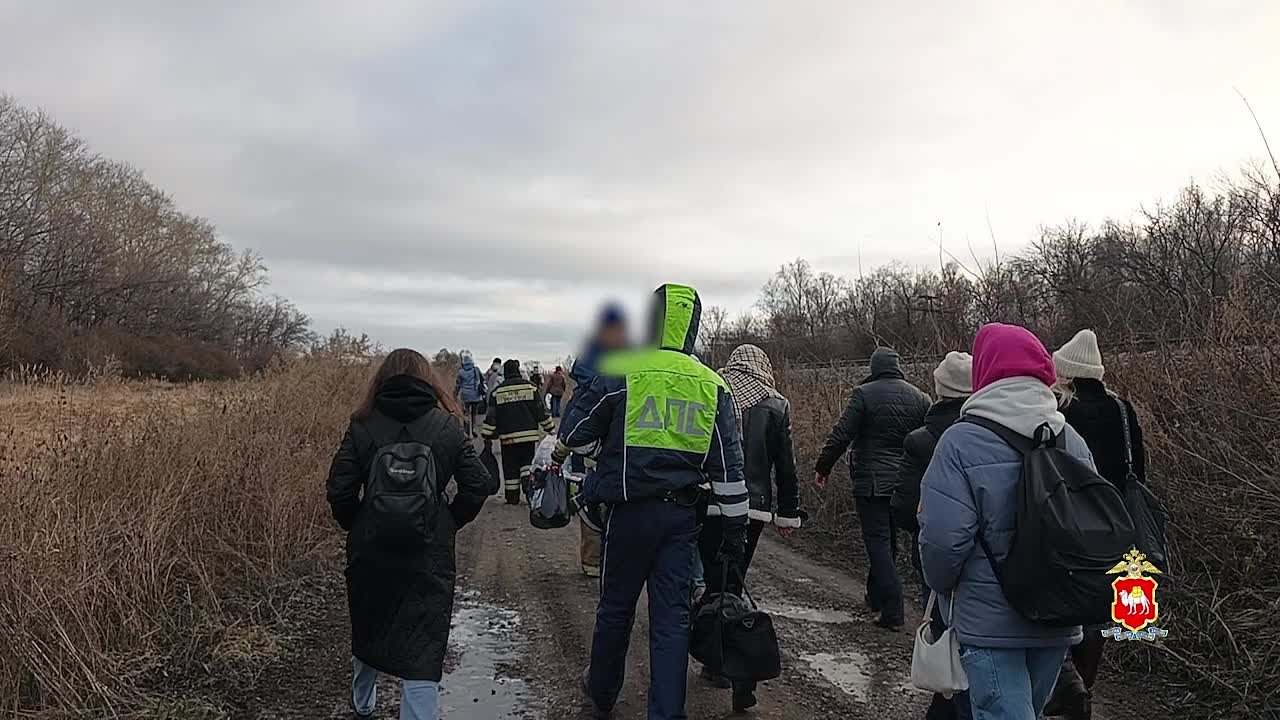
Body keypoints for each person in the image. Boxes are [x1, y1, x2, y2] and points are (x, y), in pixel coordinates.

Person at [556, 283, 748, 720]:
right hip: (680, 519)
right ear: (693, 326)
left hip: (628, 514)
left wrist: (606, 450)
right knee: (672, 619)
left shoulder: (623, 372)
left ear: (653, 320)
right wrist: (734, 532)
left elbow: (573, 434)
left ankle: (603, 692)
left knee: (616, 608)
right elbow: (728, 468)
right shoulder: (713, 385)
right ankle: (666, 712)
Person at [919, 323, 1092, 720]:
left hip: (989, 621)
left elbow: (943, 542)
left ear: (985, 372)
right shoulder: (1070, 439)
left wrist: (942, 589)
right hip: (1058, 612)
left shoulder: (960, 442)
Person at [325, 348, 497, 720]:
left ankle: (363, 705)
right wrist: (448, 522)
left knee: (369, 623)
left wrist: (358, 524)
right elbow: (479, 484)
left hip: (370, 549)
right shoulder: (446, 426)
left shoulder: (362, 424)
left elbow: (339, 489)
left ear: (381, 381)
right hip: (428, 552)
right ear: (428, 380)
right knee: (424, 645)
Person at [1041, 329, 1146, 720]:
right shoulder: (1122, 409)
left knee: (1066, 600)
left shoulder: (1060, 410)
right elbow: (1139, 468)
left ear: (1065, 372)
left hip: (1071, 519)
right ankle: (1085, 684)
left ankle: (1065, 684)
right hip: (1116, 520)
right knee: (1100, 604)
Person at [698, 343, 806, 712]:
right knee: (733, 578)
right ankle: (731, 663)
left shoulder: (712, 389)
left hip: (709, 500)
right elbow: (786, 466)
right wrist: (788, 511)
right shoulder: (776, 404)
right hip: (752, 508)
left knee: (712, 578)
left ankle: (715, 658)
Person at [814, 346, 930, 630]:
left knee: (878, 541)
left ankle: (893, 610)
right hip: (906, 483)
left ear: (874, 368)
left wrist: (823, 467)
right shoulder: (921, 397)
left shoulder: (863, 394)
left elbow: (842, 435)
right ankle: (875, 595)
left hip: (872, 482)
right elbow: (929, 439)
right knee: (889, 541)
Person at [890, 351, 973, 720]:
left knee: (942, 626)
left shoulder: (921, 440)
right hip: (988, 560)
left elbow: (904, 506)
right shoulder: (994, 435)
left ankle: (949, 700)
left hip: (933, 553)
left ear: (939, 389)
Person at [563, 303, 629, 578]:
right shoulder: (624, 354)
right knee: (591, 498)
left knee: (605, 499)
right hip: (602, 441)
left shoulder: (593, 353)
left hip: (609, 441)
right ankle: (593, 563)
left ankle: (604, 561)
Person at [481, 359, 555, 505]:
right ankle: (528, 484)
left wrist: (486, 435)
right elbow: (540, 412)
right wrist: (551, 429)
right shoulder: (531, 388)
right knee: (527, 462)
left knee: (510, 468)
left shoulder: (497, 392)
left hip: (508, 439)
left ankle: (512, 498)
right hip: (528, 437)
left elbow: (491, 417)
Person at [455, 351, 486, 437]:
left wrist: (455, 394)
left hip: (465, 396)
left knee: (466, 413)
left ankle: (467, 431)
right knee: (474, 413)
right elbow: (483, 379)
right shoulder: (476, 370)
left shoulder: (460, 372)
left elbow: (458, 384)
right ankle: (474, 428)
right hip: (475, 395)